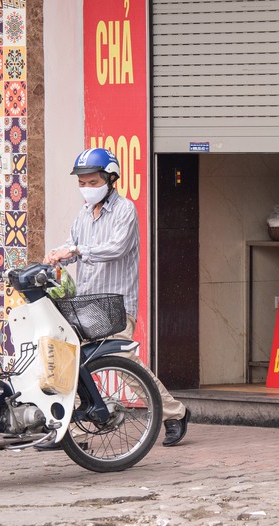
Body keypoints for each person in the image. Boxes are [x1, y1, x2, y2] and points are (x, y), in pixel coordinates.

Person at [45, 147, 190, 446]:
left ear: (111, 179)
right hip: (85, 305)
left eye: (92, 182)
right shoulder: (83, 214)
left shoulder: (126, 210)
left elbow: (115, 248)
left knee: (121, 359)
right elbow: (74, 245)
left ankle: (174, 413)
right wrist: (58, 255)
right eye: (82, 183)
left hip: (115, 305)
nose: (86, 189)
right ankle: (69, 433)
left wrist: (75, 250)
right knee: (66, 360)